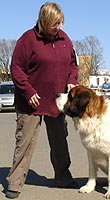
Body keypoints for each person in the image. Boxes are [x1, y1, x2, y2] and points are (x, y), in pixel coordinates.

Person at [6, 2, 78, 199]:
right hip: (31, 102)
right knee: (25, 142)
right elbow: (17, 69)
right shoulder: (27, 40)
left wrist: (72, 81)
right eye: (55, 23)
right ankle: (15, 182)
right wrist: (28, 91)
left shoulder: (65, 39)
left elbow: (73, 65)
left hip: (57, 101)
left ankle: (63, 177)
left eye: (61, 22)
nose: (59, 27)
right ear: (44, 22)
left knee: (59, 142)